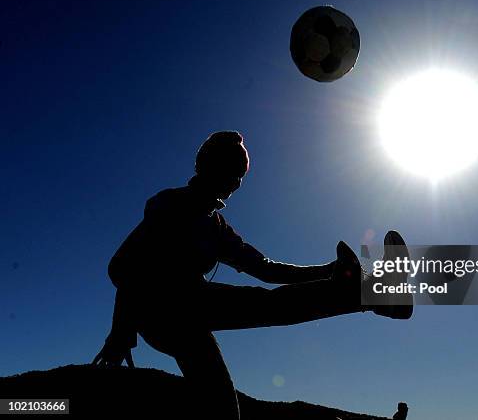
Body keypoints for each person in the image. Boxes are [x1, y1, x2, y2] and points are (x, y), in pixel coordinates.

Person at [92, 131, 412, 419]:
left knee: (222, 404)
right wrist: (121, 333)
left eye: (241, 175)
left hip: (188, 314)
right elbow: (123, 267)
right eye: (234, 171)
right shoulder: (170, 205)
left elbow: (265, 269)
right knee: (265, 305)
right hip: (160, 309)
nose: (238, 182)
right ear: (210, 166)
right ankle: (377, 295)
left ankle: (379, 297)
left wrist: (326, 270)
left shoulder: (217, 227)